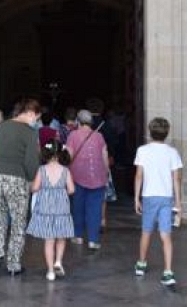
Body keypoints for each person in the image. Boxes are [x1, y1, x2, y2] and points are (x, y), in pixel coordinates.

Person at [0, 97, 42, 276]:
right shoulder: (30, 133)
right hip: (16, 179)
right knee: (18, 222)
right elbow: (31, 160)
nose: (37, 122)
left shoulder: (5, 126)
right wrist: (33, 179)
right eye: (37, 118)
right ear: (31, 113)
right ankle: (13, 264)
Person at [133, 117, 183, 286]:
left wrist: (136, 197)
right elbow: (176, 179)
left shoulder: (143, 150)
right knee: (165, 235)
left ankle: (141, 263)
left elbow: (139, 175)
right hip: (166, 197)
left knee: (146, 231)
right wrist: (178, 202)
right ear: (167, 133)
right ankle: (168, 271)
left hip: (148, 196)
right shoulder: (172, 152)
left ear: (150, 131)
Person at [26, 139, 75, 281]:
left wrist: (33, 188)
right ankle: (58, 261)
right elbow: (71, 190)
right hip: (61, 207)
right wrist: (62, 190)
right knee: (61, 236)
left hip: (46, 207)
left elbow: (35, 187)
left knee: (49, 240)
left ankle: (50, 271)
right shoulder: (65, 170)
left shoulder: (42, 170)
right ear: (60, 153)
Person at [65, 109, 109, 250]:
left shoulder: (73, 135)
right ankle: (93, 240)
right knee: (95, 209)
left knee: (78, 207)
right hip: (98, 176)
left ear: (78, 121)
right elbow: (104, 156)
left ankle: (78, 236)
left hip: (77, 176)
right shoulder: (99, 136)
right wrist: (106, 173)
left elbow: (69, 155)